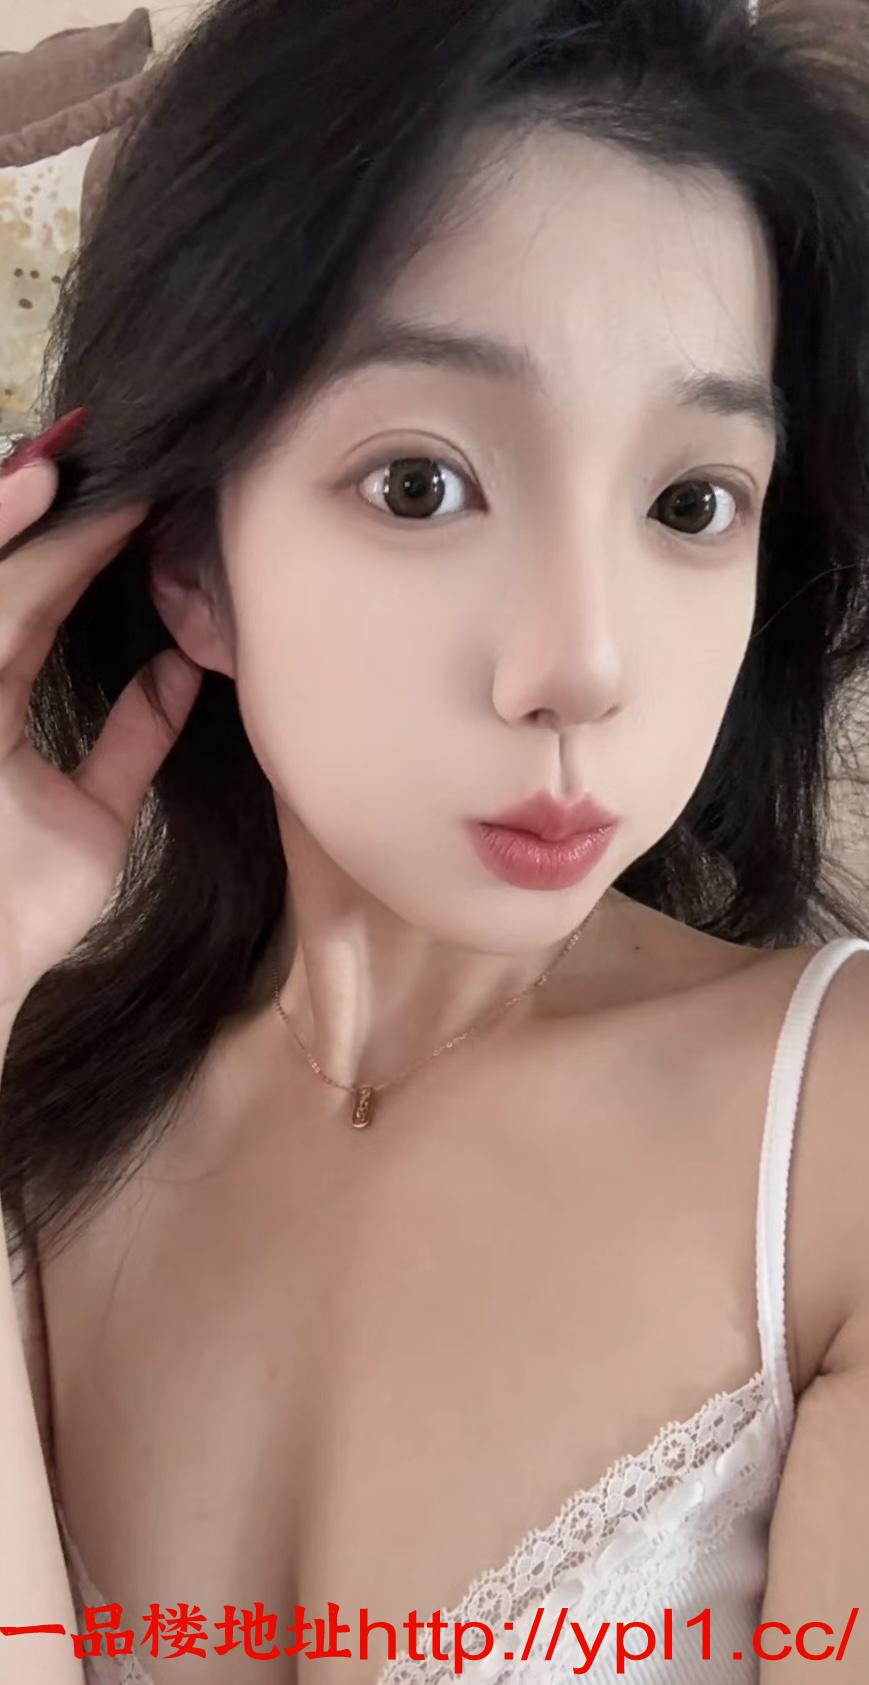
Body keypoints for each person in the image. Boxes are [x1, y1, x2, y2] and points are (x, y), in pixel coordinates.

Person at [1, 0, 869, 1679]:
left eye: (692, 503)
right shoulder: (46, 1130)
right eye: (421, 483)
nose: (582, 665)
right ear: (191, 565)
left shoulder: (830, 1147)